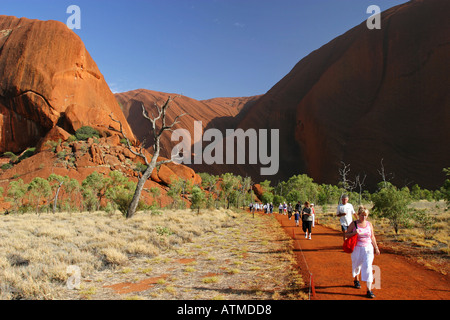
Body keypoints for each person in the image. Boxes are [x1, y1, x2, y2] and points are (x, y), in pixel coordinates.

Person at [345, 206, 380, 298]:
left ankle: (369, 290)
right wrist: (354, 233)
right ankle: (356, 279)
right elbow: (346, 234)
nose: (363, 217)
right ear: (358, 215)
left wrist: (376, 247)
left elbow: (372, 237)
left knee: (368, 267)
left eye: (365, 215)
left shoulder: (369, 224)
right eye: (361, 215)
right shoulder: (354, 224)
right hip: (357, 248)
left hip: (368, 249)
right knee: (357, 266)